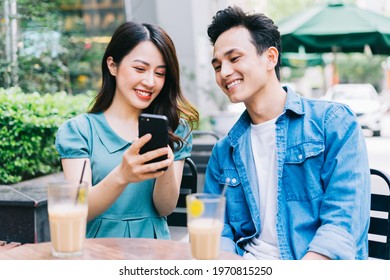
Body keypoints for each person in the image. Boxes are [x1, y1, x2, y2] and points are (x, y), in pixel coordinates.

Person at [204, 6, 370, 260]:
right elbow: (217, 232)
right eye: (217, 66)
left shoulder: (333, 124)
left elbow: (342, 223)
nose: (224, 72)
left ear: (270, 57)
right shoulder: (224, 151)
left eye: (234, 58)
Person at [55, 21, 199, 239]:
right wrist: (123, 175)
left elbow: (165, 208)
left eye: (160, 73)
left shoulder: (174, 128)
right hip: (98, 254)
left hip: (154, 253)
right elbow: (78, 210)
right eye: (140, 69)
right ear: (112, 65)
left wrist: (166, 164)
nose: (150, 82)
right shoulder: (79, 131)